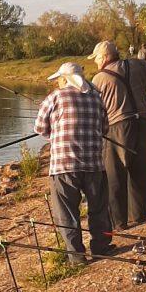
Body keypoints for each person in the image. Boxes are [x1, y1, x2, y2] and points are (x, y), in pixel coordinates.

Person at [34, 61, 113, 265]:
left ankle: (76, 256)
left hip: (63, 165)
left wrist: (56, 134)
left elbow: (40, 127)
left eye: (59, 79)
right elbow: (105, 128)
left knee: (67, 212)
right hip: (94, 164)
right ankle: (101, 247)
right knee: (98, 209)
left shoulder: (55, 97)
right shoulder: (97, 97)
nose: (58, 83)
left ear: (64, 79)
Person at [89, 40, 146, 230]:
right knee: (141, 171)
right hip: (142, 122)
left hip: (116, 127)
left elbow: (93, 108)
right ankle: (140, 217)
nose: (96, 63)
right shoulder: (137, 65)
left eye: (97, 59)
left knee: (114, 175)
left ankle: (119, 222)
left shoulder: (99, 79)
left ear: (105, 57)